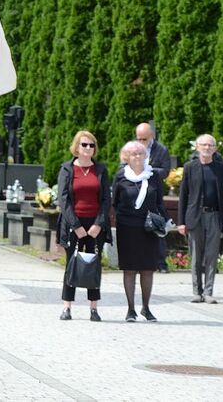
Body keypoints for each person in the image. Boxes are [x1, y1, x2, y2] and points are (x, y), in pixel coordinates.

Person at [57, 130, 111, 321]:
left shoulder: (101, 170)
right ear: (76, 147)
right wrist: (76, 226)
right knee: (72, 265)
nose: (88, 148)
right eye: (84, 144)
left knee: (93, 266)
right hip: (74, 224)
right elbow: (63, 199)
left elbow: (106, 199)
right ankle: (67, 307)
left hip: (95, 224)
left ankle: (93, 308)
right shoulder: (67, 169)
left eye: (91, 145)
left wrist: (98, 224)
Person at [113, 141, 168, 322]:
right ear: (126, 157)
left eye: (140, 153)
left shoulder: (153, 176)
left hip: (148, 228)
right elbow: (115, 202)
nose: (137, 157)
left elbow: (160, 202)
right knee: (129, 269)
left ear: (146, 156)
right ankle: (130, 309)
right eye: (133, 154)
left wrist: (163, 222)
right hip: (127, 228)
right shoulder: (121, 176)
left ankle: (146, 307)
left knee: (147, 269)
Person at [177, 134, 223, 304]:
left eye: (210, 145)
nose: (207, 148)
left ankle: (209, 291)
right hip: (195, 217)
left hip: (214, 216)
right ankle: (196, 291)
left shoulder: (221, 168)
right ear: (197, 147)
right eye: (204, 145)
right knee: (196, 256)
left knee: (212, 255)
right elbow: (183, 195)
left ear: (215, 148)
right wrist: (181, 222)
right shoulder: (190, 167)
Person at [135, 122, 173, 272]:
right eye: (139, 138)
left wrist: (148, 170)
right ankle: (138, 262)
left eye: (144, 139)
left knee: (157, 226)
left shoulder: (161, 150)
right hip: (136, 193)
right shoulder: (133, 149)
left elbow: (166, 171)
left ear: (152, 136)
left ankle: (161, 263)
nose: (141, 142)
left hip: (153, 193)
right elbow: (123, 166)